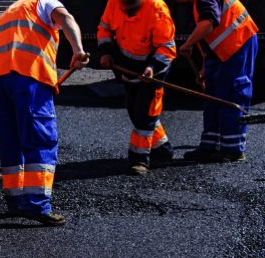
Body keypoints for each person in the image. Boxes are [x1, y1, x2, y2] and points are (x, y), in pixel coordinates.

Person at [0, 0, 89, 226]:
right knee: (40, 139)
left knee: (10, 141)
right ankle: (37, 205)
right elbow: (66, 18)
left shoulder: (9, 11)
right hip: (28, 75)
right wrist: (78, 49)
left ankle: (15, 202)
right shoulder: (44, 2)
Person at [98, 0, 178, 176]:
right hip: (127, 68)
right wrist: (105, 52)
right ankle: (164, 149)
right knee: (135, 111)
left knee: (144, 115)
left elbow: (166, 47)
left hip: (153, 70)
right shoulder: (113, 3)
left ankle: (139, 159)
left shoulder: (157, 8)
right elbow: (104, 29)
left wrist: (152, 68)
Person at [177, 0, 258, 162]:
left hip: (238, 42)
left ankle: (233, 149)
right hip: (220, 50)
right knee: (212, 97)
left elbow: (208, 23)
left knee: (232, 94)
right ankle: (209, 145)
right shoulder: (192, 5)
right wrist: (206, 66)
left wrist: (188, 43)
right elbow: (210, 37)